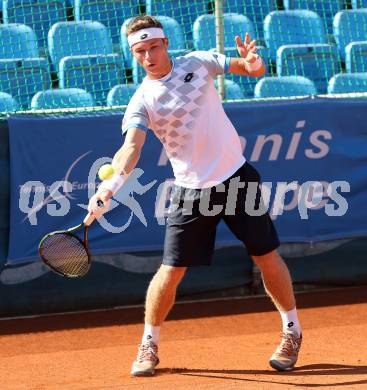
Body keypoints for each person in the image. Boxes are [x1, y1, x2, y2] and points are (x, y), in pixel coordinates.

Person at [88, 15, 302, 377]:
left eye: (153, 47)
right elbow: (131, 147)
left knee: (265, 255)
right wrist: (109, 187)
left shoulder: (198, 63)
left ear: (165, 43)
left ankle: (292, 332)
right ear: (133, 54)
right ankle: (149, 344)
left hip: (236, 178)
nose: (148, 56)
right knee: (170, 270)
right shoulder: (142, 100)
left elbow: (250, 68)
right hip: (190, 191)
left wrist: (254, 63)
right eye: (140, 51)